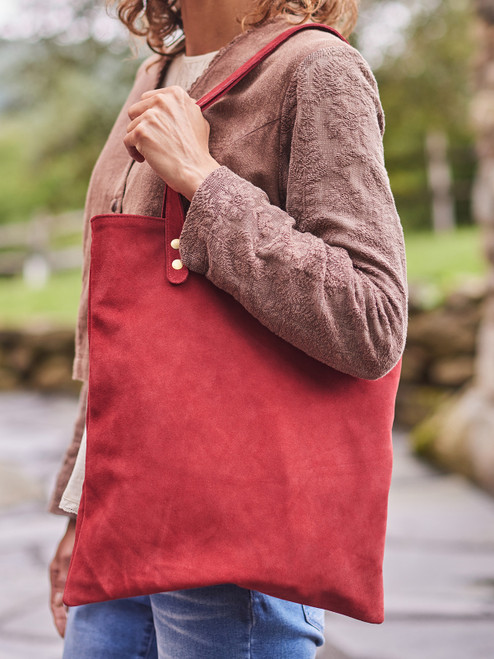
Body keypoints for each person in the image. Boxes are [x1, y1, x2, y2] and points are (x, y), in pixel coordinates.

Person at [48, 0, 408, 656]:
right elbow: (128, 322)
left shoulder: (317, 68)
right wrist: (82, 506)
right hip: (124, 520)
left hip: (232, 538)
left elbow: (373, 319)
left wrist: (201, 179)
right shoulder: (157, 72)